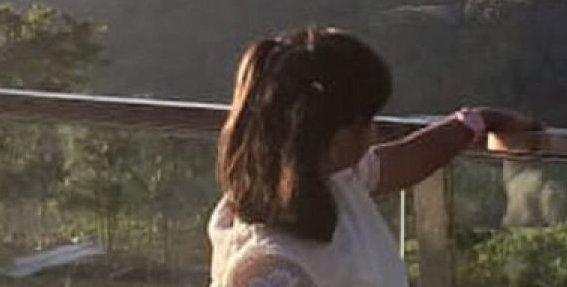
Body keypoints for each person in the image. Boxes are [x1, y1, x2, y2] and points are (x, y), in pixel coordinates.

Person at [209, 26, 536, 287]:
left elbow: (409, 160)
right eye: (368, 121)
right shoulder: (271, 267)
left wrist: (475, 121)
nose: (375, 133)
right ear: (336, 141)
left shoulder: (328, 179)